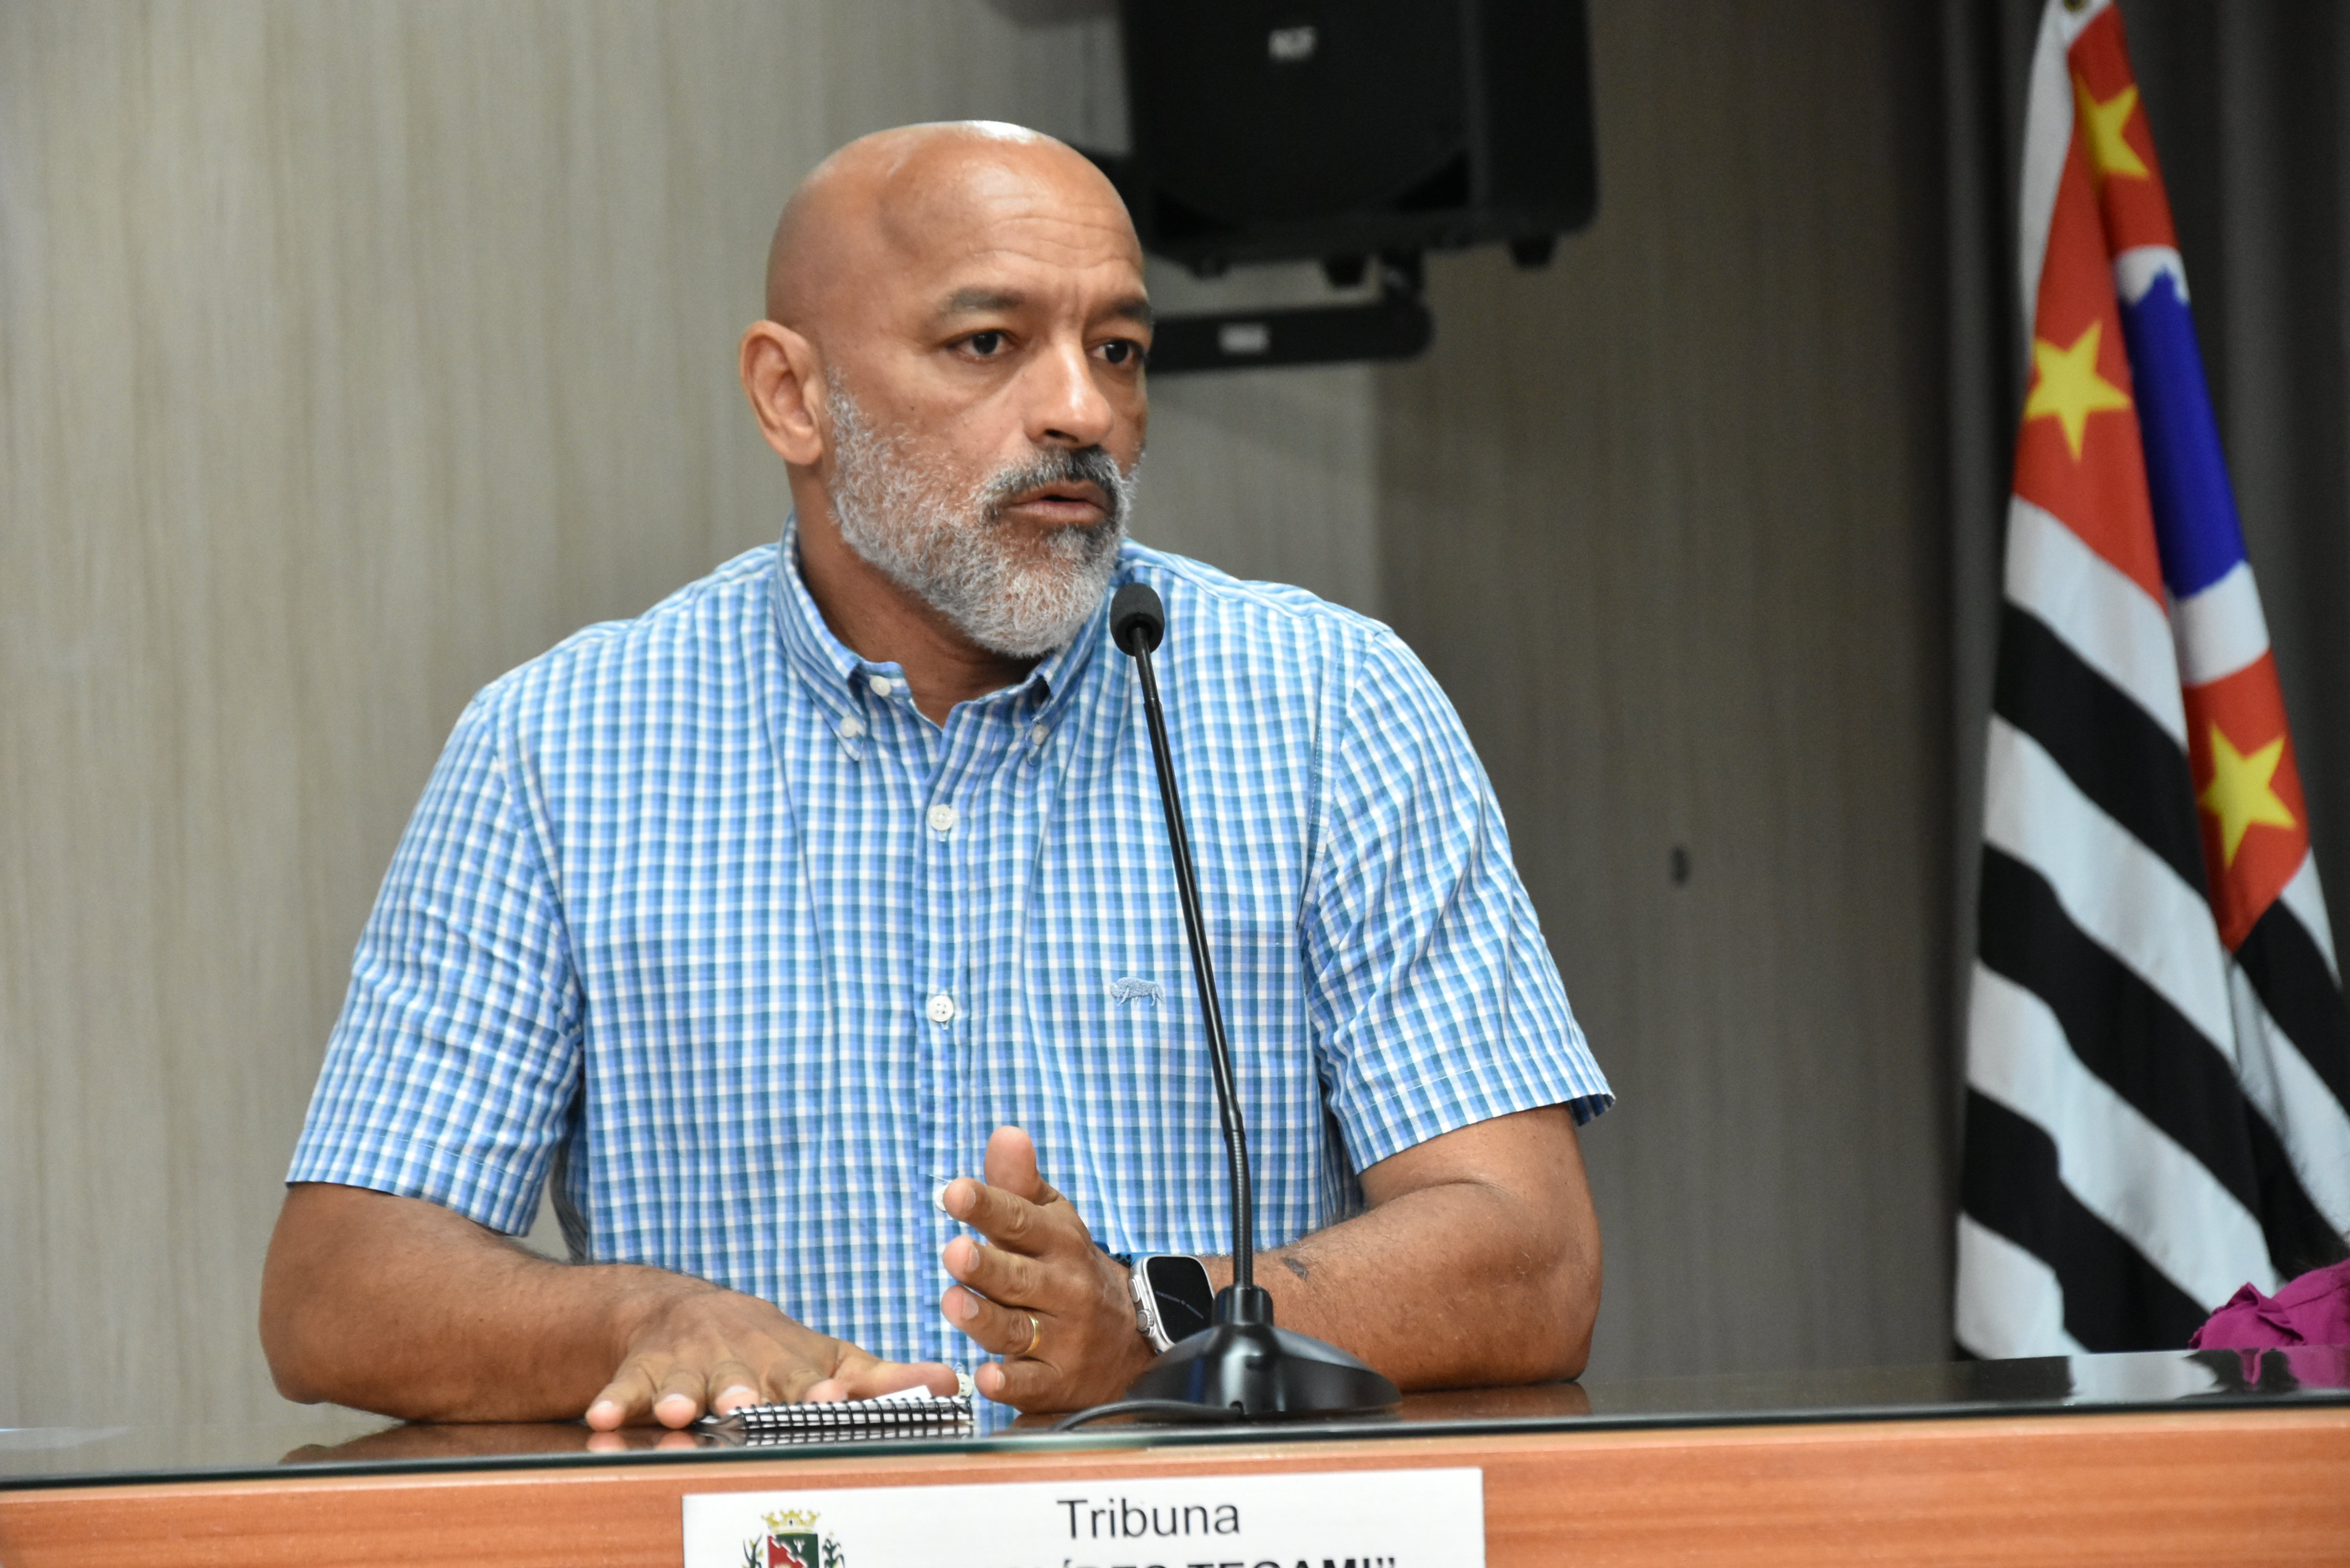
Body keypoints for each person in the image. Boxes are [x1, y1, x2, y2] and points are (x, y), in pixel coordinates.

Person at [259, 121, 1610, 1426]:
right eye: (988, 344)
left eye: (1119, 349)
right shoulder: (560, 749)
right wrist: (638, 1323)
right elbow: (337, 1292)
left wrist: (1157, 1324)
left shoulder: (1327, 706)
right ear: (793, 396)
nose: (1082, 409)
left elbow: (1530, 1255)